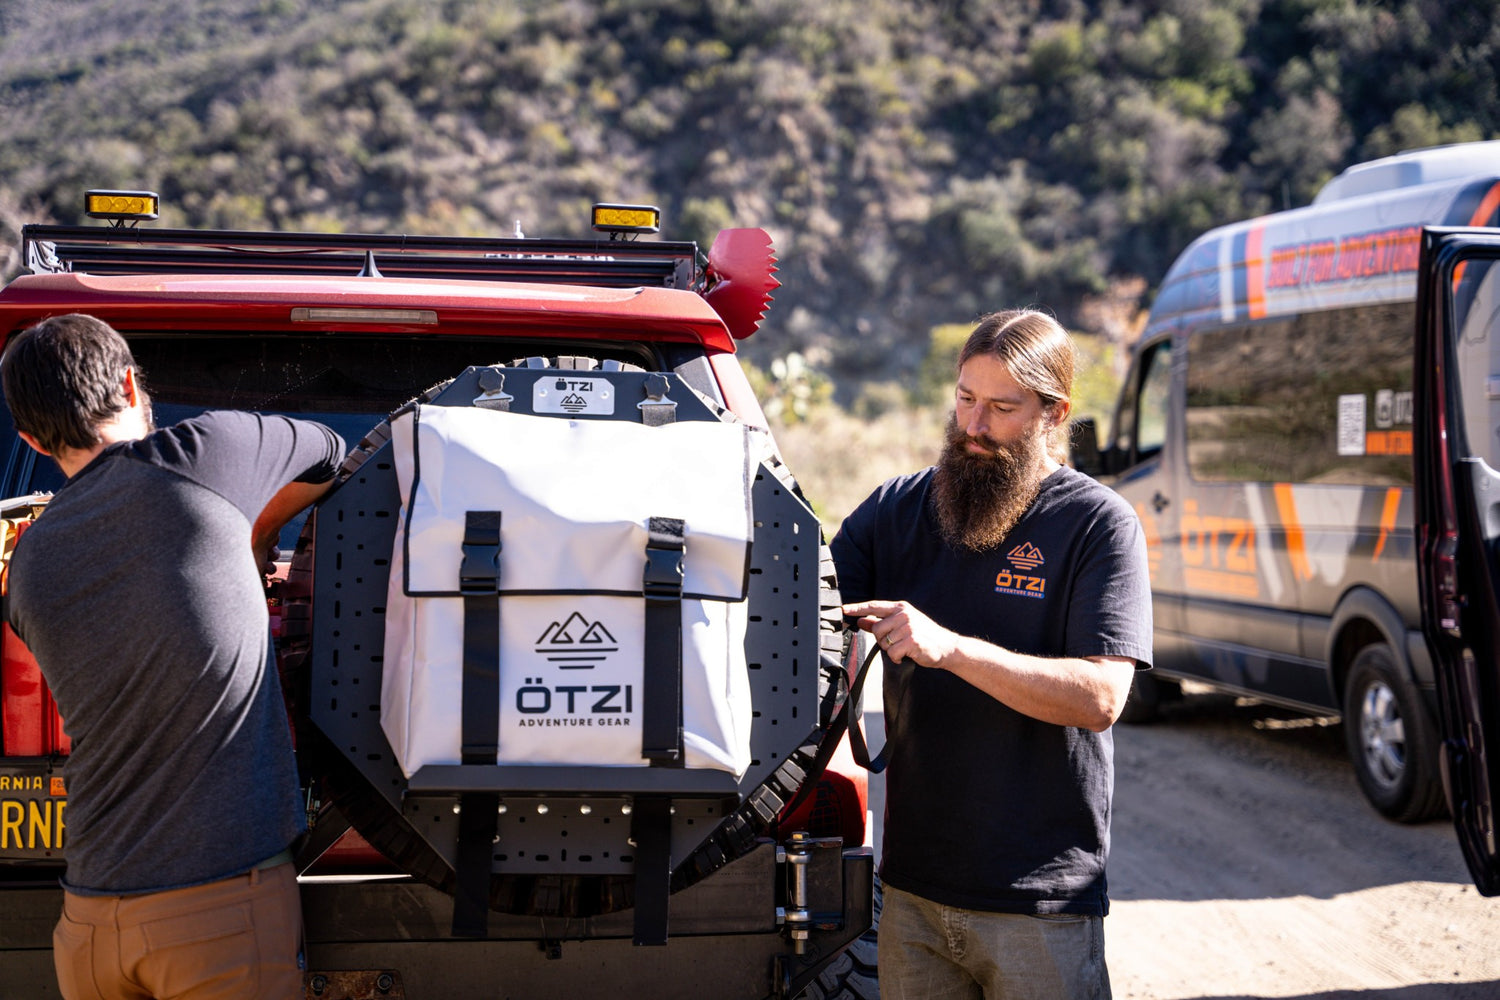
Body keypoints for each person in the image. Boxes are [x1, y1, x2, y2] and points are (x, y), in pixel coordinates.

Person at [1, 314, 346, 1000]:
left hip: (89, 922)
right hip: (216, 909)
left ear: (31, 439)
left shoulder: (29, 563)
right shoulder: (206, 453)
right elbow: (333, 453)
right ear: (131, 387)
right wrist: (254, 539)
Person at [831, 309, 1153, 1000]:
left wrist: (950, 649)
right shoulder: (898, 508)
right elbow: (802, 604)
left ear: (1052, 412)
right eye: (965, 399)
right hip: (912, 893)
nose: (973, 427)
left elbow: (1099, 699)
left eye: (1002, 408)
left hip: (1039, 903)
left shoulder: (1098, 523)